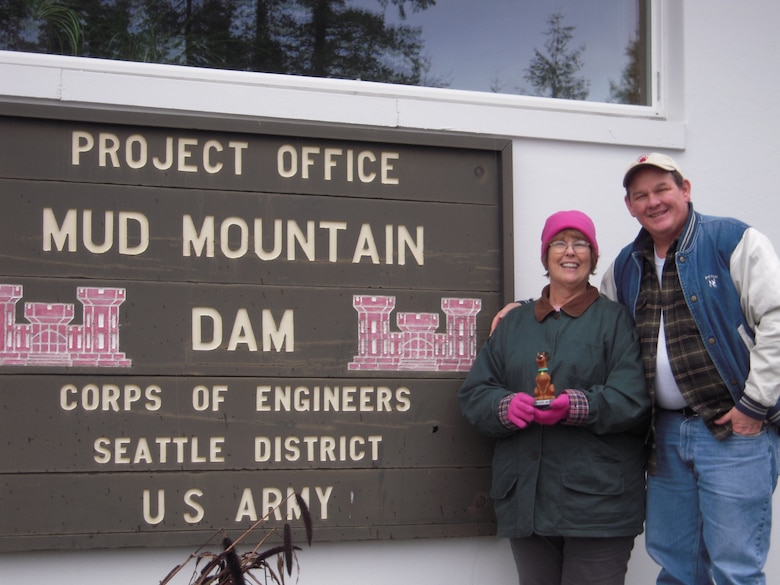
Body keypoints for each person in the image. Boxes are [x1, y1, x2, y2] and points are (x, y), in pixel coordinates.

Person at [600, 153, 780, 585]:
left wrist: (754, 407)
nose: (653, 202)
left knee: (735, 568)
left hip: (735, 431)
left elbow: (776, 318)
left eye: (662, 189)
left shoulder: (733, 240)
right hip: (663, 437)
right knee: (678, 567)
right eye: (640, 195)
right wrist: (528, 308)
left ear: (685, 189)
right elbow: (589, 316)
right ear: (629, 206)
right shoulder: (626, 265)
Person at [459, 210, 650, 585]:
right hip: (526, 503)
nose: (570, 252)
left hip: (598, 507)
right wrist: (504, 407)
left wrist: (577, 407)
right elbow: (474, 393)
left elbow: (633, 399)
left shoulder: (616, 320)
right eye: (559, 243)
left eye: (581, 243)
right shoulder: (514, 323)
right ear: (545, 255)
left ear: (594, 257)